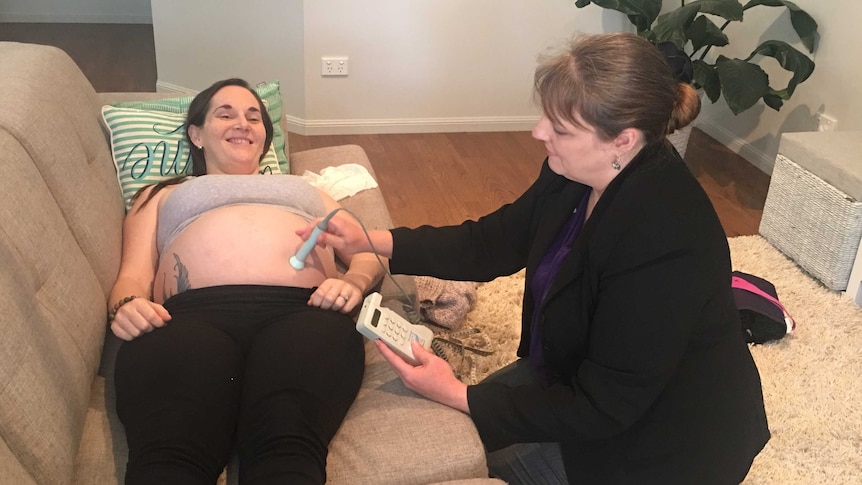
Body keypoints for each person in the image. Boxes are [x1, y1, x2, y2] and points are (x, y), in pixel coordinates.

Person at [300, 33, 770, 484]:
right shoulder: (575, 170)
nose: (538, 132)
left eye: (560, 128)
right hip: (573, 379)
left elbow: (604, 407)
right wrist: (371, 238)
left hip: (656, 447)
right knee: (433, 427)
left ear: (623, 140)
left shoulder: (665, 239)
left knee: (453, 444)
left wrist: (459, 393)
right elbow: (495, 241)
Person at [108, 78, 382, 485]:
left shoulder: (305, 190)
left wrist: (354, 283)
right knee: (168, 458)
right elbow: (132, 274)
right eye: (226, 114)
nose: (243, 123)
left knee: (288, 454)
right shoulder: (162, 193)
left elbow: (365, 252)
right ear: (196, 134)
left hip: (306, 313)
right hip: (184, 321)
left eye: (254, 117)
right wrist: (127, 304)